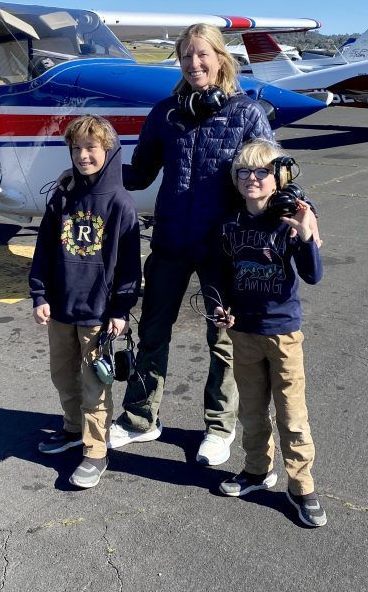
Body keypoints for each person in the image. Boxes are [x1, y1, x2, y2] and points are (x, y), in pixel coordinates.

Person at [109, 23, 284, 467]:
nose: (194, 63)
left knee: (222, 339)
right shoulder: (166, 113)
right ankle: (140, 418)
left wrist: (300, 210)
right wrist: (92, 172)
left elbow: (272, 174)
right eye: (186, 55)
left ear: (221, 59)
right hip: (170, 241)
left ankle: (219, 427)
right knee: (152, 331)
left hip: (223, 248)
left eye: (202, 54)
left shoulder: (246, 114)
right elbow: (141, 173)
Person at [208, 138, 326, 527]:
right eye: (244, 172)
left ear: (279, 179)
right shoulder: (230, 224)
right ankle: (258, 470)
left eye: (262, 172)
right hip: (243, 333)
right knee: (252, 410)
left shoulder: (288, 222)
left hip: (283, 334)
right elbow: (223, 274)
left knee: (292, 414)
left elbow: (312, 275)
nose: (252, 178)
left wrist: (306, 236)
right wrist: (221, 306)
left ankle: (302, 486)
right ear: (236, 179)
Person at [29, 115, 142, 489]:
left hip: (97, 313)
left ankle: (96, 452)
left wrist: (121, 309)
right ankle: (73, 429)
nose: (82, 155)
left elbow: (129, 265)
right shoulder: (61, 196)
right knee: (63, 375)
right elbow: (44, 249)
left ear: (107, 150)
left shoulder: (121, 203)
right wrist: (40, 294)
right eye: (75, 148)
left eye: (90, 148)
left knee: (95, 384)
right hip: (60, 307)